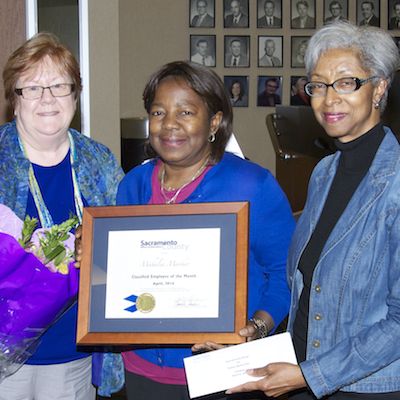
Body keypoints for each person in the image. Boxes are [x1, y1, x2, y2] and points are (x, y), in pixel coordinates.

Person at [223, 21, 400, 399]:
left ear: (379, 87)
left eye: (346, 82)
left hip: (364, 388)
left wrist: (309, 375)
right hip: (300, 374)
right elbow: (305, 287)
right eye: (318, 85)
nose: (328, 98)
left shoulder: (396, 182)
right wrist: (256, 334)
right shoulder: (323, 172)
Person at [116, 61, 294, 400]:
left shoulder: (252, 185)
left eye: (185, 112)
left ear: (214, 122)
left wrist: (256, 328)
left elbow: (284, 273)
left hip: (221, 370)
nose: (169, 125)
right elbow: (121, 274)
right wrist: (94, 256)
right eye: (158, 112)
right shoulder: (132, 186)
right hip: (141, 367)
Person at [0, 32, 124, 399]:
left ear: (76, 94)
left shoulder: (98, 161)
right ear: (14, 98)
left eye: (59, 85)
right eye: (33, 88)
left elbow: (121, 246)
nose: (48, 99)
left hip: (75, 353)